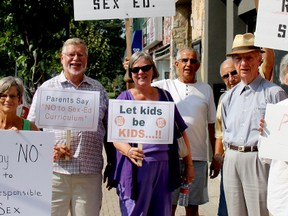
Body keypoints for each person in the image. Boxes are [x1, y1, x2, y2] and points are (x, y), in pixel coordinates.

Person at [27, 38, 110, 216]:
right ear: (61, 58)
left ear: (86, 59)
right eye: (71, 54)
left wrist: (112, 163)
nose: (75, 59)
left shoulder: (98, 89)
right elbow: (31, 125)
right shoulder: (46, 89)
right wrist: (49, 147)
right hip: (54, 172)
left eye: (80, 55)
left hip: (89, 174)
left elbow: (109, 131)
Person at [112, 51, 194, 216]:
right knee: (135, 211)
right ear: (131, 74)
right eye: (135, 70)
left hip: (163, 167)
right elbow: (115, 137)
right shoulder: (124, 99)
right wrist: (128, 150)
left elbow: (181, 131)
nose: (141, 72)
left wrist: (189, 165)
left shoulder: (165, 96)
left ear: (153, 70)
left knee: (161, 212)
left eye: (145, 67)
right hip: (135, 167)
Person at [221, 33, 287, 216]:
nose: (243, 63)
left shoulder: (274, 93)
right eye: (238, 58)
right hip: (232, 158)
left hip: (258, 160)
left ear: (259, 59)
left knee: (260, 212)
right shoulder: (229, 97)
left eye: (249, 57)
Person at [152, 47, 217, 216]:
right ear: (176, 64)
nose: (189, 64)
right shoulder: (164, 86)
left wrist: (215, 157)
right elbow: (138, 87)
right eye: (185, 60)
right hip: (171, 157)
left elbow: (212, 126)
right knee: (169, 207)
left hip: (198, 158)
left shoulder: (206, 89)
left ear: (198, 65)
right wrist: (130, 69)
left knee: (192, 207)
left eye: (193, 61)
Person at [259, 53, 288, 216]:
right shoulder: (278, 110)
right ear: (285, 77)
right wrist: (265, 135)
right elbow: (265, 158)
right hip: (282, 197)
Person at [213, 58, 240, 216]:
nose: (231, 79)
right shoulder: (224, 99)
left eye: (233, 73)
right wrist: (217, 159)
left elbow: (268, 66)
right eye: (226, 76)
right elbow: (219, 132)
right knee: (225, 208)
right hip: (229, 160)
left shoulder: (255, 90)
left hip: (251, 160)